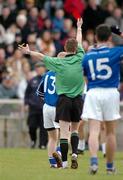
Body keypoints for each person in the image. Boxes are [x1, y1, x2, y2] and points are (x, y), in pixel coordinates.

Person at [18, 18, 85, 169]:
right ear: (75, 50)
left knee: (52, 138)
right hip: (65, 102)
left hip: (47, 106)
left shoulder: (53, 68)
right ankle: (67, 155)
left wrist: (28, 52)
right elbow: (79, 42)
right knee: (68, 132)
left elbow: (41, 57)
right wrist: (79, 28)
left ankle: (54, 164)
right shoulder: (79, 57)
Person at [82, 24, 123, 174]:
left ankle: (93, 161)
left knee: (94, 130)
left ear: (95, 37)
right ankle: (110, 167)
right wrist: (120, 33)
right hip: (111, 92)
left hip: (93, 92)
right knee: (110, 132)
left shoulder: (87, 56)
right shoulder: (116, 52)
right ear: (110, 38)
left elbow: (85, 78)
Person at [24, 62, 48, 149]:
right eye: (37, 68)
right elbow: (27, 93)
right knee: (32, 126)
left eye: (40, 68)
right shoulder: (32, 80)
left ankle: (43, 144)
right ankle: (33, 140)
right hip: (33, 107)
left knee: (44, 128)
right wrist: (26, 103)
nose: (39, 70)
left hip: (44, 107)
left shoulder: (47, 79)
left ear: (44, 69)